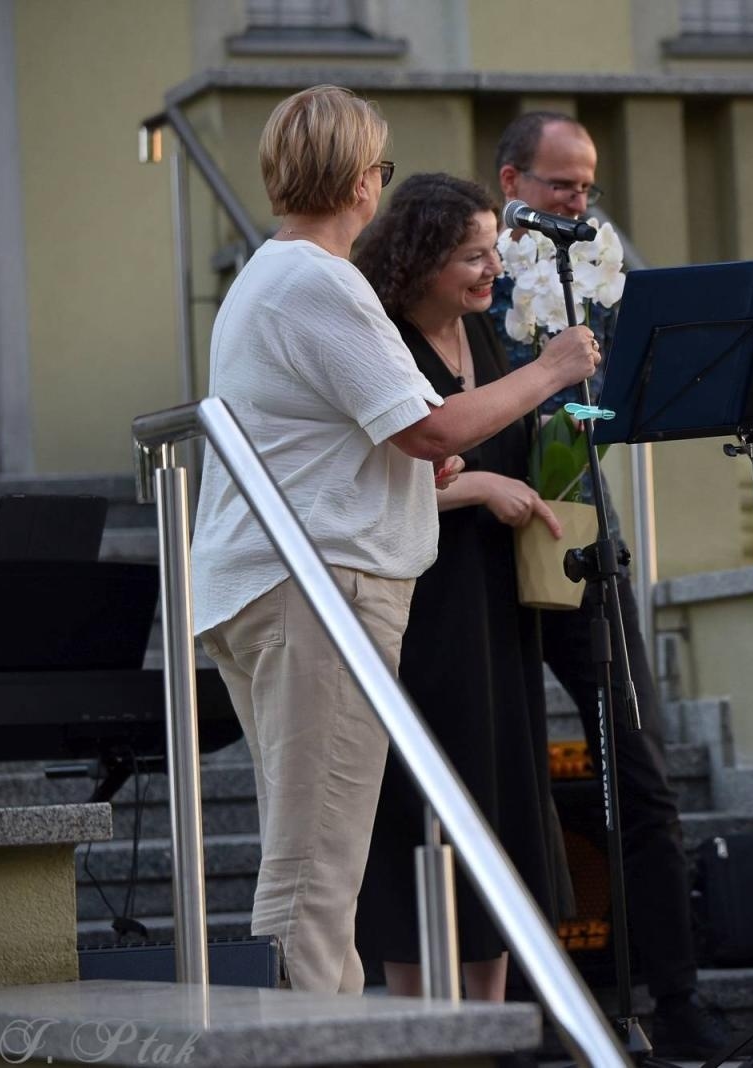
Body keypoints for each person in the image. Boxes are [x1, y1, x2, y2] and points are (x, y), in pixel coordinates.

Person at [190, 85, 599, 996]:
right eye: (377, 166)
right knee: (316, 874)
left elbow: (360, 439)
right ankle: (307, 1055)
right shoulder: (318, 278)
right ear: (363, 182)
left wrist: (420, 470)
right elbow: (432, 430)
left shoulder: (268, 274)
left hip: (274, 584)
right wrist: (552, 368)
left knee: (313, 859)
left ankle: (327, 1043)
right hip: (321, 590)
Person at [489, 110, 729, 1057]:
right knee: (509, 780)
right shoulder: (477, 264)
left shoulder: (602, 263)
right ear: (513, 181)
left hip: (585, 528)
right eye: (559, 184)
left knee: (639, 773)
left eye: (586, 183)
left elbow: (635, 385)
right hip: (487, 534)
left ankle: (675, 1001)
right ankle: (533, 1013)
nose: (578, 199)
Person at [353, 173, 572, 1002]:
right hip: (424, 605)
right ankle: (422, 1023)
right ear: (419, 262)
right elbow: (386, 475)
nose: (491, 270)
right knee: (425, 804)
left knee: (501, 793)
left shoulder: (479, 340)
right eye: (470, 256)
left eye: (493, 251)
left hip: (492, 597)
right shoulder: (387, 344)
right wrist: (479, 488)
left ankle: (491, 1021)